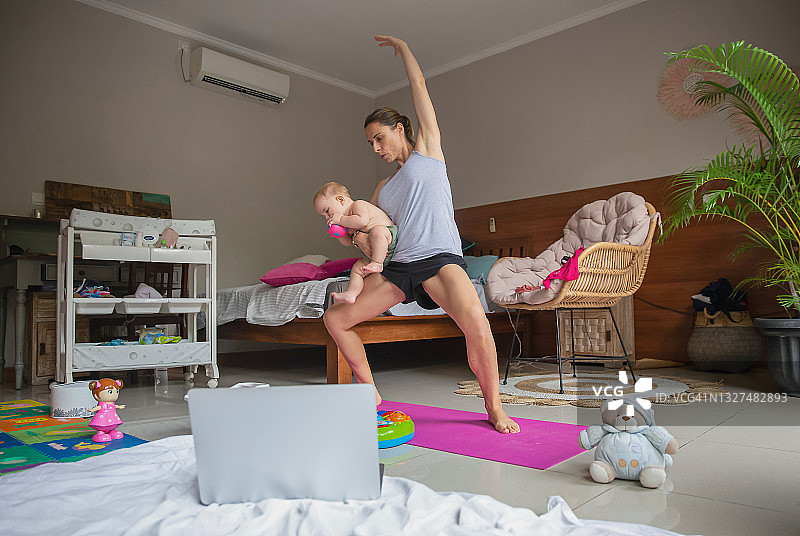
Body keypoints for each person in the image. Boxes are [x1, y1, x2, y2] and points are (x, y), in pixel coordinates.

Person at [323, 35, 520, 434]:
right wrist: (352, 236)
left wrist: (405, 50)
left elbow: (420, 89)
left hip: (440, 258)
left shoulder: (428, 152)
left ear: (400, 129)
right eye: (370, 143)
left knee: (477, 325)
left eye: (380, 137)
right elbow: (380, 233)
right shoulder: (382, 189)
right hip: (400, 267)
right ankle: (370, 393)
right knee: (335, 319)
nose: (376, 147)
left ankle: (494, 408)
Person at [313, 181, 398, 303]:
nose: (327, 217)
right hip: (372, 252)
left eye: (327, 211)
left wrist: (341, 219)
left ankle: (377, 263)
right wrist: (339, 234)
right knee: (357, 270)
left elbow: (362, 222)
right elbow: (348, 242)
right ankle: (351, 294)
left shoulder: (358, 205)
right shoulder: (346, 223)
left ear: (340, 200)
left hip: (387, 239)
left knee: (376, 231)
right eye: (323, 216)